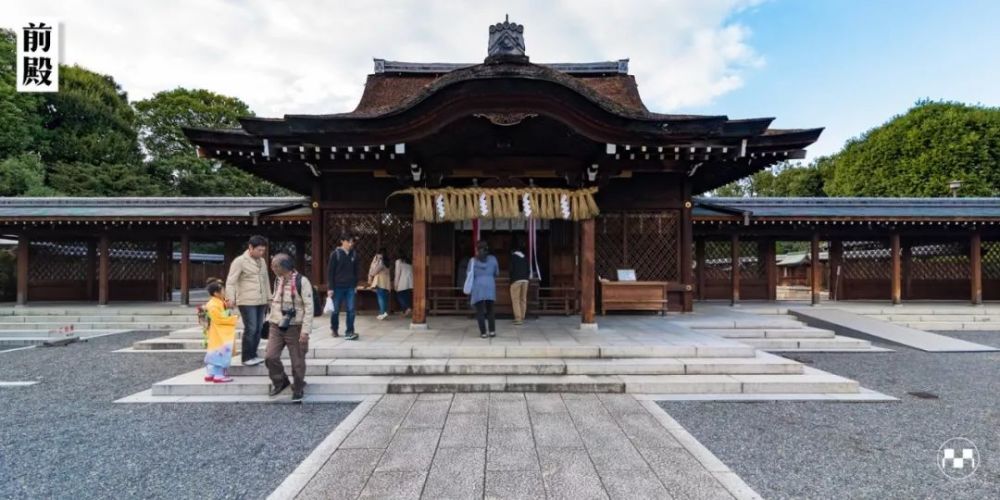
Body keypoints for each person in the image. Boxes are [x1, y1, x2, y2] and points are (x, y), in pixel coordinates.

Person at [264, 253, 314, 402]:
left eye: (275, 265)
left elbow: (309, 308)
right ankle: (280, 381)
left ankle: (298, 388)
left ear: (284, 267)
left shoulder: (302, 281)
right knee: (270, 357)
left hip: (295, 326)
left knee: (297, 361)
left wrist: (305, 331)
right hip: (276, 324)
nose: (272, 268)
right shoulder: (277, 280)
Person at [225, 235, 271, 366]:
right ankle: (246, 357)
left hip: (261, 300)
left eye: (263, 250)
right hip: (246, 301)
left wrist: (269, 298)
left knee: (259, 328)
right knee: (251, 328)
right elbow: (230, 282)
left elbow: (266, 280)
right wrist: (230, 298)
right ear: (250, 247)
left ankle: (254, 354)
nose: (261, 253)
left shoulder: (262, 261)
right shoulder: (239, 261)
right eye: (259, 250)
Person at [203, 279, 238, 383]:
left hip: (217, 332)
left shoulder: (217, 302)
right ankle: (218, 376)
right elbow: (219, 319)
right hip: (219, 333)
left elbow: (221, 313)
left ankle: (211, 373)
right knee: (220, 354)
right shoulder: (213, 304)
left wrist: (226, 306)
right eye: (222, 291)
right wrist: (233, 318)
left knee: (215, 353)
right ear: (216, 293)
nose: (224, 292)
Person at [327, 232, 360, 340]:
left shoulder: (354, 254)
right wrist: (330, 288)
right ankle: (334, 328)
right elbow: (330, 272)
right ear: (342, 241)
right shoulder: (335, 254)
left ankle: (350, 331)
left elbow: (356, 271)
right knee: (335, 310)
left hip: (350, 286)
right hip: (337, 287)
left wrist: (355, 285)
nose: (350, 244)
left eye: (352, 242)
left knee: (351, 309)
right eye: (348, 242)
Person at [466, 240, 499, 338]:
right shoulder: (493, 259)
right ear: (487, 249)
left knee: (480, 311)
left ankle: (483, 333)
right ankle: (492, 331)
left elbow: (468, 273)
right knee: (490, 310)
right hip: (490, 286)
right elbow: (496, 273)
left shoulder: (472, 261)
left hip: (478, 287)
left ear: (477, 249)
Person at [509, 239, 530, 325]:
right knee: (523, 299)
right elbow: (528, 270)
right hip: (525, 280)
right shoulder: (525, 257)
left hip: (516, 280)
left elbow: (511, 269)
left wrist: (511, 279)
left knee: (516, 299)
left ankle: (518, 318)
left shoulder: (513, 257)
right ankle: (522, 316)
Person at [368, 247, 392, 320]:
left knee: (380, 297)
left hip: (380, 280)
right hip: (386, 281)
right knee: (384, 297)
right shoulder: (386, 260)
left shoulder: (380, 260)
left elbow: (375, 269)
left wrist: (371, 275)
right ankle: (384, 312)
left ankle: (382, 313)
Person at [394, 251, 413, 317]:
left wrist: (396, 284)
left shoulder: (398, 261)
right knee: (406, 296)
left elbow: (397, 274)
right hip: (410, 281)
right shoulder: (408, 261)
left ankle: (408, 308)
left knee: (399, 296)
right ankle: (405, 312)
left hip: (402, 281)